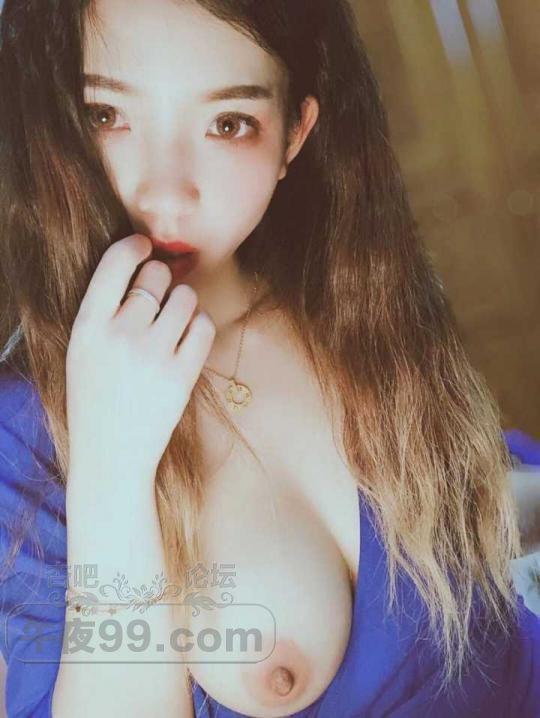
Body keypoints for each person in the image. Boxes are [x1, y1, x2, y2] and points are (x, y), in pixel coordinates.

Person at [0, 1, 538, 716]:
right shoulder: (24, 433)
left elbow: (475, 519)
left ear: (293, 137)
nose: (168, 189)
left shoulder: (353, 305)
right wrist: (111, 473)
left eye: (228, 123)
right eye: (108, 115)